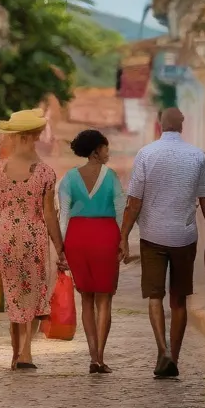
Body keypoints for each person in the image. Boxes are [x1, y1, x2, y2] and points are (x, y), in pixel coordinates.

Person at [119, 107, 205, 379]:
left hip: (152, 236)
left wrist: (123, 236)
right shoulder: (198, 156)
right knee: (179, 300)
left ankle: (162, 351)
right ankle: (174, 357)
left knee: (155, 296)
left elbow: (134, 202)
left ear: (159, 125)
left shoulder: (146, 154)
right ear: (182, 126)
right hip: (184, 237)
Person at [0, 108, 68, 371]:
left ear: (15, 136)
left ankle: (14, 352)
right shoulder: (44, 173)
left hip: (5, 238)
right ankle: (26, 352)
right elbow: (50, 215)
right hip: (34, 238)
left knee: (14, 295)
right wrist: (60, 248)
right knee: (31, 295)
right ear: (31, 137)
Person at [57, 130, 125, 374]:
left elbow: (63, 215)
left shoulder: (69, 178)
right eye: (105, 148)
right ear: (97, 150)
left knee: (86, 297)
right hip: (105, 235)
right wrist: (124, 241)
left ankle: (92, 354)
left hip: (77, 237)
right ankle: (100, 358)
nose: (108, 152)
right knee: (104, 298)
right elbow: (120, 211)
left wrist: (61, 249)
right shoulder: (112, 177)